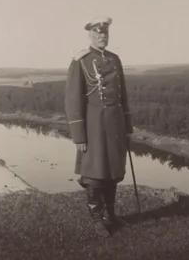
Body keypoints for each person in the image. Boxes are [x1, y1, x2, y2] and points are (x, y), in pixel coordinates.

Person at [64, 17, 134, 237]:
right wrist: (79, 136)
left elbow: (123, 96)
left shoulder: (114, 59)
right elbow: (73, 101)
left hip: (114, 125)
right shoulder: (81, 61)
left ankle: (110, 215)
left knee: (112, 172)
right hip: (93, 126)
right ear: (90, 36)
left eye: (105, 34)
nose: (102, 36)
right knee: (95, 174)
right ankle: (97, 218)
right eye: (97, 34)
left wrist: (127, 127)